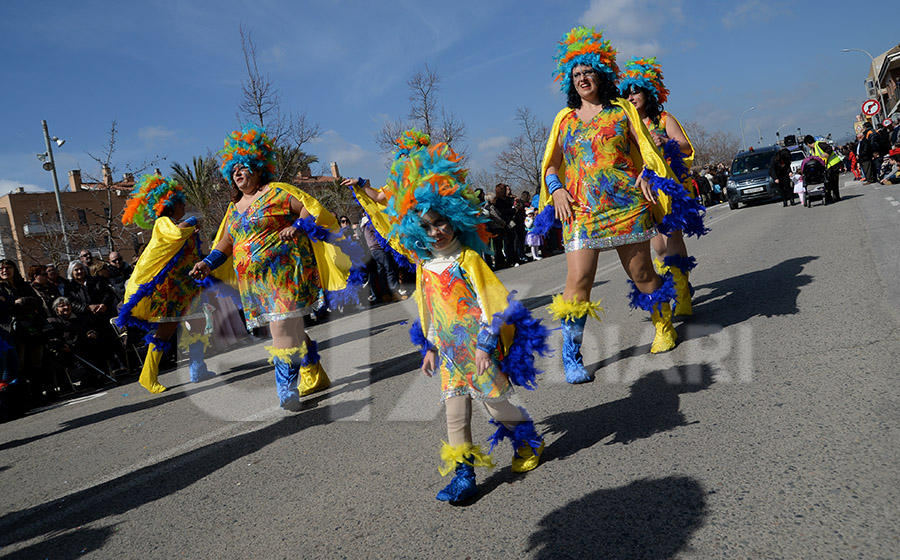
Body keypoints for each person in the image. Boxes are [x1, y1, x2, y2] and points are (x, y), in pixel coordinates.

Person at [350, 131, 549, 504]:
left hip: (479, 348)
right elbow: (426, 309)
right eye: (425, 227)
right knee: (455, 414)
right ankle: (464, 475)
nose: (435, 232)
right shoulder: (426, 265)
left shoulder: (468, 261)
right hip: (448, 352)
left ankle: (528, 442)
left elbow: (496, 305)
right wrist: (428, 346)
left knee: (496, 403)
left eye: (440, 223)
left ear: (455, 220)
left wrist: (487, 346)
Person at [536, 27, 706, 383]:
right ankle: (571, 355)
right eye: (577, 73)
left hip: (626, 205)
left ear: (602, 74)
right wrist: (556, 189)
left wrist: (647, 173)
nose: (583, 78)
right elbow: (551, 163)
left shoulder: (622, 110)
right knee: (578, 279)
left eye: (589, 71)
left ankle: (663, 325)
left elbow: (646, 150)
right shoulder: (563, 119)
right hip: (580, 211)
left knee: (643, 274)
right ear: (571, 80)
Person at [193, 125, 361, 410]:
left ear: (259, 168)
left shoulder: (278, 192)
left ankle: (286, 389)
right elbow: (226, 242)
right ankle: (314, 373)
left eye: (244, 166)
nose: (238, 172)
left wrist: (297, 225)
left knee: (280, 328)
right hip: (255, 283)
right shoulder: (234, 208)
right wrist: (207, 263)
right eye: (234, 168)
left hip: (286, 274)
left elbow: (310, 207)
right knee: (290, 328)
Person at [116, 173, 215, 394]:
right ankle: (147, 375)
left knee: (198, 323)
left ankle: (198, 368)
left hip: (187, 287)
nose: (184, 206)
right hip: (168, 290)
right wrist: (191, 222)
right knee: (165, 330)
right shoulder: (164, 223)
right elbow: (176, 234)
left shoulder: (179, 225)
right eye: (181, 203)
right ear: (169, 205)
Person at [619, 56, 703, 316]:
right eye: (627, 93)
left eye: (636, 91)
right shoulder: (624, 124)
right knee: (657, 246)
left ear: (648, 93)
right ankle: (672, 289)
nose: (631, 97)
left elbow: (687, 148)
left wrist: (666, 141)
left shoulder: (664, 118)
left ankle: (681, 295)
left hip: (665, 187)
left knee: (673, 239)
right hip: (639, 191)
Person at [1, 259, 50, 404]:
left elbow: (37, 301)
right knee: (18, 365)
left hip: (32, 326)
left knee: (37, 362)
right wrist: (15, 304)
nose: (5, 271)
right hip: (12, 330)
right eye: (1, 269)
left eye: (8, 267)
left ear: (14, 269)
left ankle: (38, 395)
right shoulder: (0, 288)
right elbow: (7, 308)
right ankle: (23, 398)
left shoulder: (24, 286)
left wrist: (21, 301)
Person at [804, 135, 841, 203]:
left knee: (834, 182)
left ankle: (836, 197)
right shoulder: (811, 151)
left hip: (834, 164)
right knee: (828, 182)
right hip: (827, 167)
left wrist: (826, 154)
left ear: (808, 144)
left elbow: (829, 148)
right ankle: (829, 197)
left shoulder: (819, 144)